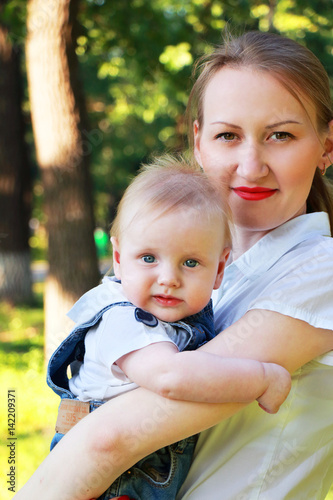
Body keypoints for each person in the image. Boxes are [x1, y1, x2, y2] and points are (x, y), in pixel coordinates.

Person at [14, 30, 333, 500]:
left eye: (280, 135)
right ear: (199, 142)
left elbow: (112, 438)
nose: (251, 165)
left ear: (327, 146)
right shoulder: (201, 277)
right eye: (229, 135)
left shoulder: (318, 270)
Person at [46, 157, 290, 500]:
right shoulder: (122, 320)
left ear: (219, 270)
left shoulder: (187, 318)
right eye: (148, 258)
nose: (169, 278)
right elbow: (171, 377)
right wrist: (262, 378)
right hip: (107, 483)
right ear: (118, 259)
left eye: (190, 263)